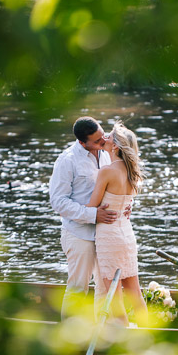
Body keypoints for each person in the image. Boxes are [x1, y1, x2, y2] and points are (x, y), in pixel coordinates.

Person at [49, 116, 118, 320]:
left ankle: (99, 335)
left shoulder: (105, 153)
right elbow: (58, 202)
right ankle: (69, 340)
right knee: (79, 287)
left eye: (102, 136)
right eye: (96, 142)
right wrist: (92, 214)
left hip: (105, 233)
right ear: (82, 142)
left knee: (104, 288)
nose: (102, 142)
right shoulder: (67, 160)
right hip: (79, 234)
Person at [86, 120, 148, 326]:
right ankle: (147, 333)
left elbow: (91, 206)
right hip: (127, 235)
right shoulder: (132, 173)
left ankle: (125, 338)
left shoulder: (107, 171)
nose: (105, 137)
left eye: (109, 136)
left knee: (114, 295)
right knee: (135, 292)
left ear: (115, 146)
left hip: (109, 237)